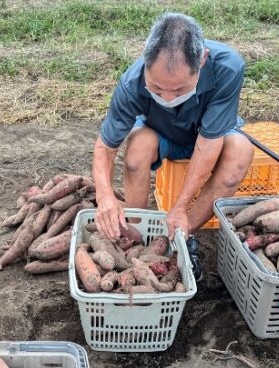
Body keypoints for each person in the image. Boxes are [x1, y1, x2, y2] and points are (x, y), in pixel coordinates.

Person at [92, 12, 253, 243]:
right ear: (144, 58)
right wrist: (105, 194)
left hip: (209, 136)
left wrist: (180, 206)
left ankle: (179, 236)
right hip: (161, 132)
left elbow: (208, 144)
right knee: (137, 150)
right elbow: (105, 148)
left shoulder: (228, 68)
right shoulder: (131, 83)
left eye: (179, 90)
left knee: (240, 151)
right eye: (156, 88)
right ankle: (136, 234)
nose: (167, 97)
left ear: (202, 60)